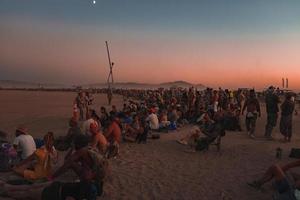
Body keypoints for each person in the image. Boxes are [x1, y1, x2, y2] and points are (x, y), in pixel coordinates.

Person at [45, 134, 107, 200]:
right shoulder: (88, 148)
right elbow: (67, 159)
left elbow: (67, 162)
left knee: (71, 164)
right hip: (99, 175)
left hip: (94, 175)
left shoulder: (81, 151)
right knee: (75, 164)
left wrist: (53, 176)